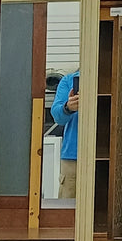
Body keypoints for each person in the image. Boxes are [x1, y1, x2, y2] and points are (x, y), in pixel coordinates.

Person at [50, 71, 81, 199]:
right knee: (66, 209)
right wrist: (68, 107)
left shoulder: (112, 78)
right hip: (73, 158)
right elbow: (57, 116)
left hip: (109, 155)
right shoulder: (69, 80)